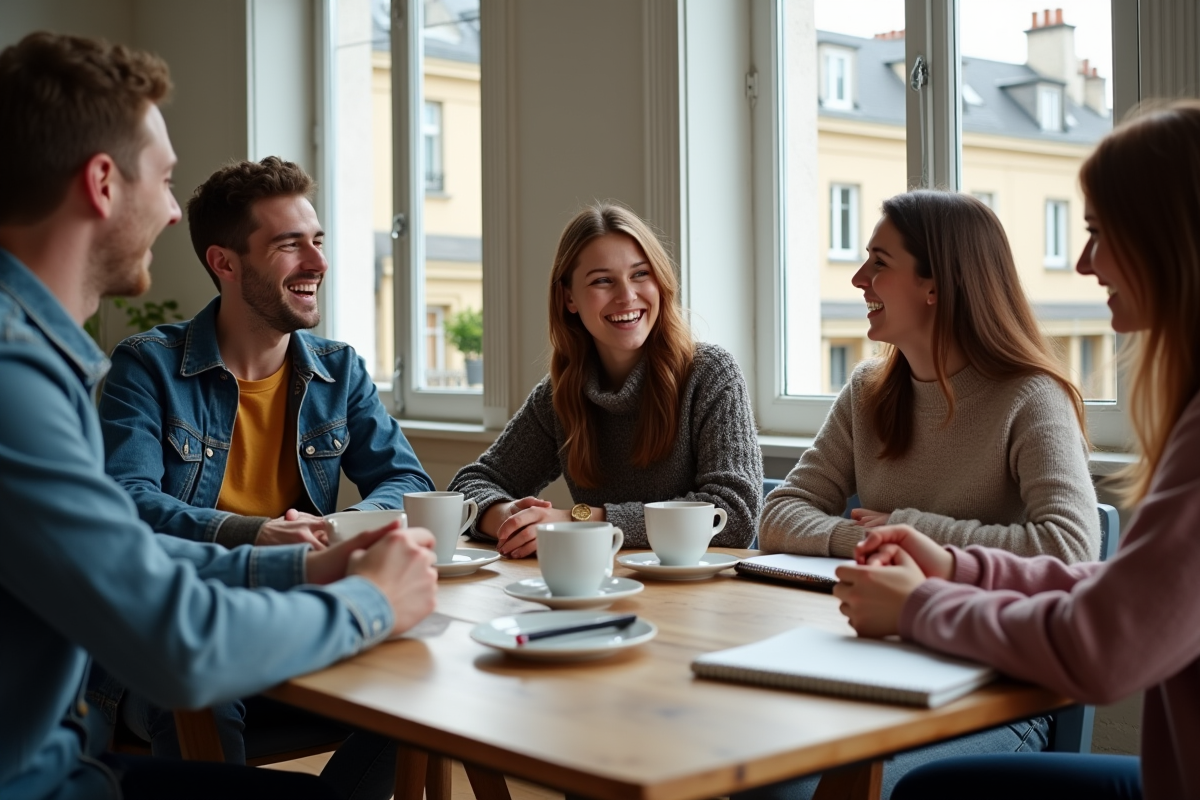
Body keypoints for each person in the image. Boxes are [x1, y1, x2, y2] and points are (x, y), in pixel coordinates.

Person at [0, 31, 437, 800]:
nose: (174, 211)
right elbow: (177, 639)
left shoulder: (37, 356)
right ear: (102, 183)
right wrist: (371, 601)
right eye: (165, 179)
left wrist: (306, 565)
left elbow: (127, 558)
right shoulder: (19, 375)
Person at [833, 100, 1200, 800]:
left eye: (1098, 233)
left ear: (1170, 236)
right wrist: (957, 566)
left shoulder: (1037, 397)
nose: (1084, 263)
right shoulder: (868, 389)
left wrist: (920, 606)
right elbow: (1123, 595)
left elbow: (1104, 644)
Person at [87, 156, 436, 786]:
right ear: (225, 263)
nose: (318, 261)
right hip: (178, 643)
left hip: (300, 623)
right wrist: (256, 534)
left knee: (423, 677)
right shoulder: (147, 366)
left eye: (318, 240)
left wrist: (336, 530)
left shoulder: (339, 369)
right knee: (203, 687)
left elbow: (408, 482)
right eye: (288, 245)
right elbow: (127, 504)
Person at [745, 191, 1101, 800]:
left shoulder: (1032, 397)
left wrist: (912, 531)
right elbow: (777, 513)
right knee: (761, 776)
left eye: (879, 262)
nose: (859, 278)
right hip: (878, 669)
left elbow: (1070, 550)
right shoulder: (868, 390)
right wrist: (868, 539)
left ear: (936, 285)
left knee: (802, 789)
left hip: (995, 698)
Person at [449, 202, 762, 558]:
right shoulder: (560, 395)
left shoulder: (710, 374)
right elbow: (470, 486)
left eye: (640, 274)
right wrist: (511, 517)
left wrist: (580, 520)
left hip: (699, 588)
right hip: (600, 581)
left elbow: (735, 515)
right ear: (569, 297)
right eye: (602, 280)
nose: (626, 296)